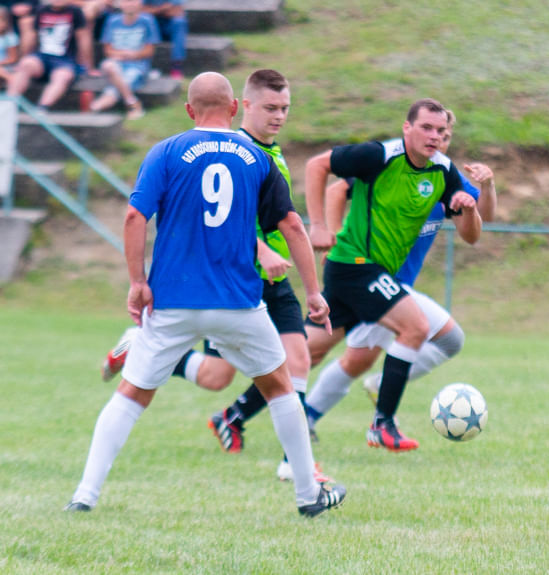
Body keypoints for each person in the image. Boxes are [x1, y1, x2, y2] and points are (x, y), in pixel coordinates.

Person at [64, 72, 345, 517]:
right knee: (281, 389)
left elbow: (135, 218)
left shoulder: (166, 152)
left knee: (131, 396)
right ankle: (308, 495)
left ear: (189, 110)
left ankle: (84, 495)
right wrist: (313, 291)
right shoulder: (257, 158)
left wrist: (138, 283)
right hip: (238, 304)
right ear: (235, 108)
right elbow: (291, 225)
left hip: (173, 302)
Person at [303, 98, 482, 452]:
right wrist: (321, 226)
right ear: (407, 128)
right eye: (426, 128)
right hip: (355, 266)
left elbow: (471, 235)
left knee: (307, 352)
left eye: (441, 131)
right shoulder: (378, 156)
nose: (434, 137)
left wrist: (469, 207)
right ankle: (382, 424)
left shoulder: (443, 172)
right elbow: (316, 167)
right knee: (414, 328)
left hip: (374, 276)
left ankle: (239, 411)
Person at [6, 0, 92, 112]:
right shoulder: (41, 10)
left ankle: (42, 108)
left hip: (65, 60)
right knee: (26, 64)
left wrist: (88, 65)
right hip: (42, 57)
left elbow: (83, 39)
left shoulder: (75, 12)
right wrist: (23, 58)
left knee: (63, 76)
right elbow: (32, 37)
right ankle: (8, 103)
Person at [89, 0, 159, 119]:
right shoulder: (112, 21)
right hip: (116, 65)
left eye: (133, 1)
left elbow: (150, 50)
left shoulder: (147, 20)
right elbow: (107, 50)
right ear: (120, 4)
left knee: (115, 89)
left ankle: (95, 107)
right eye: (126, 1)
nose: (130, 4)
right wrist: (124, 54)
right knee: (108, 65)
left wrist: (132, 55)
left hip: (137, 66)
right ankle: (132, 103)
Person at [141, 0, 184, 80]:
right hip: (152, 24)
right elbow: (140, 10)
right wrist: (164, 8)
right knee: (146, 19)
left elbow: (177, 12)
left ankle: (176, 65)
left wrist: (153, 10)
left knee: (179, 22)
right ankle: (144, 66)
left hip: (168, 25)